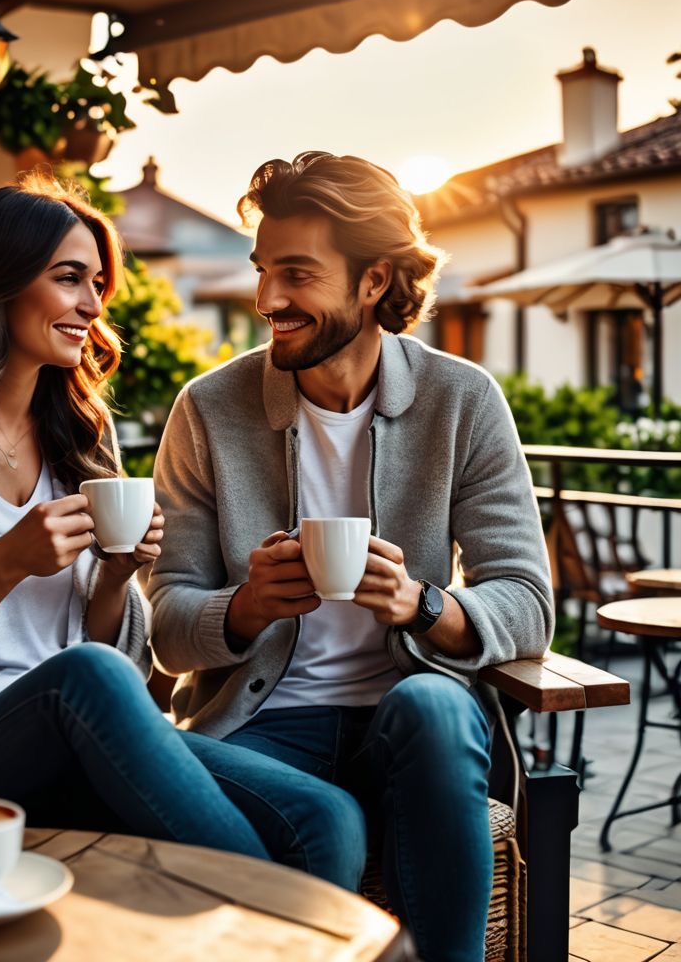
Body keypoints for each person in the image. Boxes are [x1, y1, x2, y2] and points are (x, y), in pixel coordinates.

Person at [0, 172, 359, 885]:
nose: (91, 304)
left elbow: (120, 664)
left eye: (97, 284)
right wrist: (3, 564)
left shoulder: (79, 430)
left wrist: (114, 578)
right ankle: (263, 915)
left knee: (325, 818)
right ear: (0, 283)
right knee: (84, 677)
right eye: (70, 278)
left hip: (73, 742)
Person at [146, 152, 554, 961]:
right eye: (263, 272)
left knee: (437, 708)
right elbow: (165, 624)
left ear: (373, 282)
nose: (268, 300)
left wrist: (422, 604)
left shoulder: (462, 401)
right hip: (262, 726)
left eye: (296, 275)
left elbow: (528, 602)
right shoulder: (208, 410)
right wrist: (244, 607)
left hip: (409, 723)